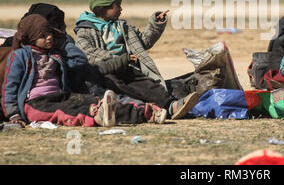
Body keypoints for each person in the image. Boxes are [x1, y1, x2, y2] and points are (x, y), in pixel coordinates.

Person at [1, 14, 166, 128]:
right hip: (36, 104)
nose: (49, 38)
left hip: (61, 96)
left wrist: (64, 44)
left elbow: (81, 62)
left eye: (50, 33)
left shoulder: (56, 55)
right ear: (31, 37)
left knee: (92, 101)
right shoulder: (20, 56)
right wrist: (14, 115)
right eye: (43, 35)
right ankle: (96, 116)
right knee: (68, 113)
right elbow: (10, 87)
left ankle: (145, 113)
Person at [74, 0, 200, 119]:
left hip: (128, 68)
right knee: (122, 86)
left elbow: (143, 41)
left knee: (147, 84)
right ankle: (151, 109)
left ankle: (171, 106)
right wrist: (119, 59)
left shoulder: (122, 27)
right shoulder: (85, 30)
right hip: (105, 72)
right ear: (103, 7)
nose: (121, 9)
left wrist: (155, 24)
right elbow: (87, 52)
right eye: (117, 5)